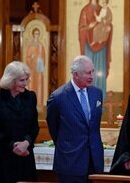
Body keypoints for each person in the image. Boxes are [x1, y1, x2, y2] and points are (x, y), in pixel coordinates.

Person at [46, 55, 104, 183]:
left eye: (93, 71)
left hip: (94, 162)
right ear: (76, 74)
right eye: (88, 73)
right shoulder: (58, 97)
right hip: (70, 162)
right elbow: (53, 128)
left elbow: (93, 126)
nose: (92, 76)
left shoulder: (97, 93)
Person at [0, 61, 40, 183]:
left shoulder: (30, 97)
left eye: (27, 79)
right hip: (2, 158)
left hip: (25, 156)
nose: (25, 83)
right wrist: (13, 146)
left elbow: (34, 126)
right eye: (21, 80)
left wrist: (26, 142)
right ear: (11, 80)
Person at [78, 0, 113, 100]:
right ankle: (88, 98)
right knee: (89, 69)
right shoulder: (85, 10)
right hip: (89, 45)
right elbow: (81, 28)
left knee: (99, 70)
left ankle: (100, 99)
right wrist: (90, 26)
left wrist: (107, 27)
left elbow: (108, 23)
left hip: (101, 45)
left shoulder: (101, 8)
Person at [26, 27, 45, 111]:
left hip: (39, 70)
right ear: (33, 34)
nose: (37, 35)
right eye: (35, 33)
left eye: (38, 34)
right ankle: (30, 104)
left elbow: (44, 57)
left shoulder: (41, 46)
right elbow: (27, 58)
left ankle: (39, 105)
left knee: (39, 86)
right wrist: (31, 58)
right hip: (32, 70)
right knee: (31, 86)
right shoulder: (30, 46)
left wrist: (40, 61)